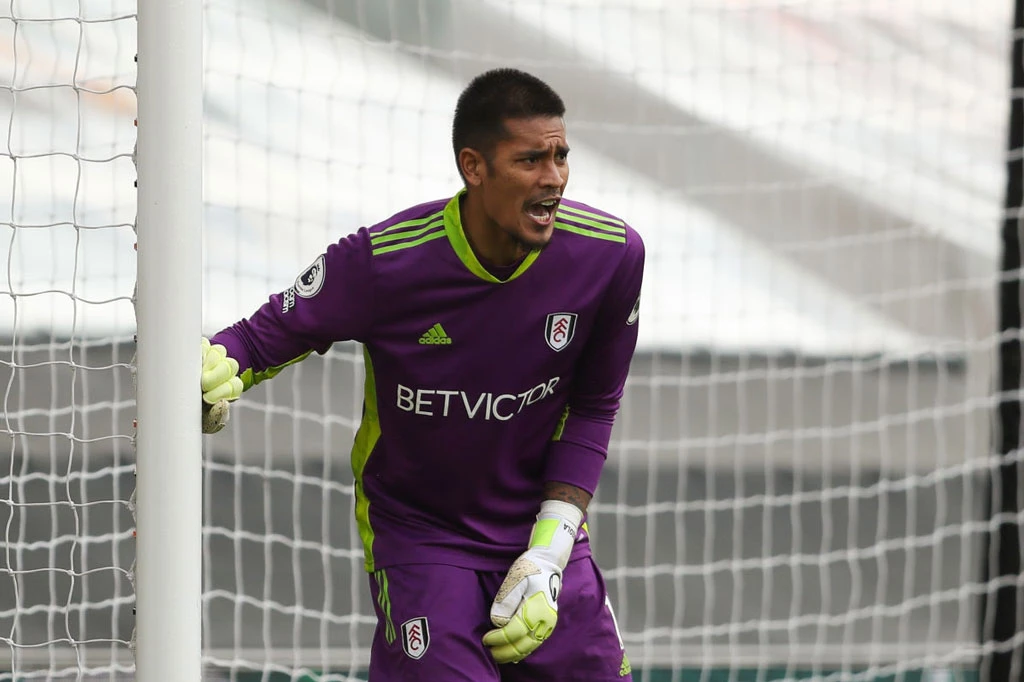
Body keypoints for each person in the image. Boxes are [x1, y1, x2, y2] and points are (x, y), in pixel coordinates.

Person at [200, 67, 644, 682]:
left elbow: (594, 407)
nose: (554, 180)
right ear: (474, 166)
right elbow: (255, 339)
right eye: (531, 160)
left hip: (541, 533)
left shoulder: (611, 255)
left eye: (561, 156)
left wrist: (548, 553)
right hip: (422, 541)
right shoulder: (386, 262)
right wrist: (211, 373)